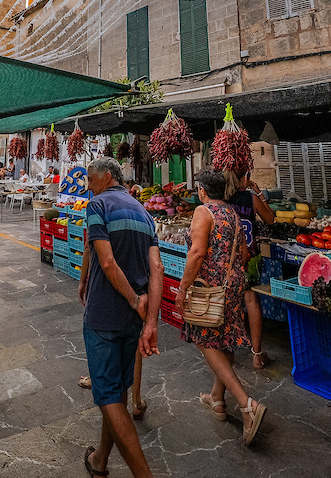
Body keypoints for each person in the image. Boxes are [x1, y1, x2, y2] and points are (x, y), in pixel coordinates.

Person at [77, 157, 162, 478]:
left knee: (109, 396)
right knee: (119, 389)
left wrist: (131, 299)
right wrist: (149, 318)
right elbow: (157, 268)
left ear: (107, 177)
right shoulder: (143, 211)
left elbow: (108, 262)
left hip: (104, 314)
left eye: (90, 179)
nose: (88, 186)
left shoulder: (98, 205)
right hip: (133, 320)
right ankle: (100, 459)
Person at [178, 170, 267, 446]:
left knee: (204, 340)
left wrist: (182, 288)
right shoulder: (232, 214)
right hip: (233, 283)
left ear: (203, 190)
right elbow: (242, 254)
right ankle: (217, 399)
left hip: (210, 286)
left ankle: (246, 403)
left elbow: (197, 252)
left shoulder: (203, 212)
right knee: (224, 339)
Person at [224, 170, 276, 370]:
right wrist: (260, 193)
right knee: (251, 300)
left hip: (227, 260)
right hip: (249, 259)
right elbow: (271, 219)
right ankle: (256, 354)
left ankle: (227, 352)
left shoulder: (222, 199)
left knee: (228, 303)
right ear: (242, 178)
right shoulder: (251, 198)